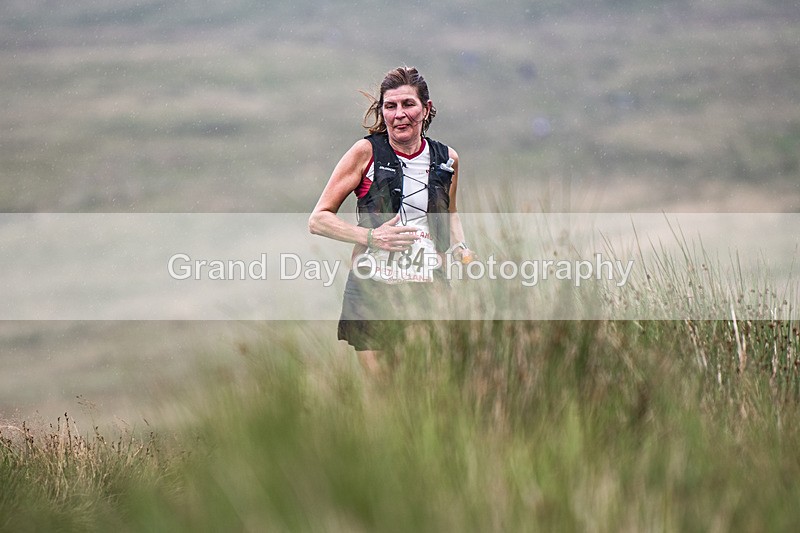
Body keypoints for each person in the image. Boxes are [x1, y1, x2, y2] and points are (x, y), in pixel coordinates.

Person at [308, 66, 473, 374]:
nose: (399, 114)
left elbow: (451, 215)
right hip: (372, 286)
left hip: (428, 286)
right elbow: (318, 219)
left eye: (408, 104)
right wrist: (372, 238)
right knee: (381, 396)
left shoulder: (447, 158)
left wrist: (460, 250)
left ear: (426, 109)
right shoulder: (365, 152)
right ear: (382, 112)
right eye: (390, 106)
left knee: (424, 383)